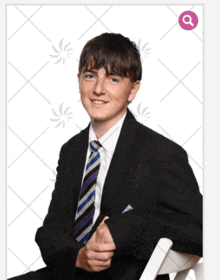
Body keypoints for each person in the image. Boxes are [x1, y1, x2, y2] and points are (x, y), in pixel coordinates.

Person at [9, 32, 202, 280]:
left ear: (133, 90)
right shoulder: (72, 150)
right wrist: (78, 256)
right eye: (90, 76)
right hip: (72, 270)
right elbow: (51, 231)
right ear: (79, 81)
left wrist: (128, 228)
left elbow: (203, 232)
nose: (98, 89)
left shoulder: (162, 154)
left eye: (113, 79)